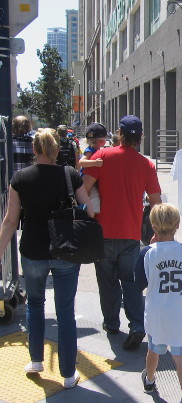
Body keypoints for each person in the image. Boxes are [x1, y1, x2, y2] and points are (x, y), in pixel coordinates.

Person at [0, 128, 93, 388]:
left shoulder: (20, 178)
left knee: (35, 305)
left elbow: (10, 221)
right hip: (65, 250)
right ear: (55, 150)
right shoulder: (70, 174)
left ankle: (36, 361)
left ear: (34, 150)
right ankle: (67, 374)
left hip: (32, 250)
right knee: (65, 312)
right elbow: (90, 210)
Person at [83, 115, 162, 350]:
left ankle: (111, 324)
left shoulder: (102, 156)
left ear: (119, 133)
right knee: (131, 281)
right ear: (141, 137)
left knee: (107, 281)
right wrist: (157, 231)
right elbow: (156, 202)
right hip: (131, 231)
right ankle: (137, 324)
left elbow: (84, 187)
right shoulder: (146, 164)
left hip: (103, 231)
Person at [134, 203, 182, 403]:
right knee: (180, 356)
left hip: (158, 314)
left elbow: (139, 284)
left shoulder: (147, 253)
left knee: (154, 349)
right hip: (180, 314)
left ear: (152, 226)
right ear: (178, 225)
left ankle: (150, 380)